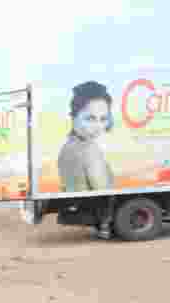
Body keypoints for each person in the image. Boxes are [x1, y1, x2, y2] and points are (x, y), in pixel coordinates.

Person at [57, 81, 115, 238]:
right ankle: (104, 228)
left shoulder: (67, 147)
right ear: (74, 115)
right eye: (90, 118)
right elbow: (103, 190)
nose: (98, 126)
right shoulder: (89, 149)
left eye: (103, 119)